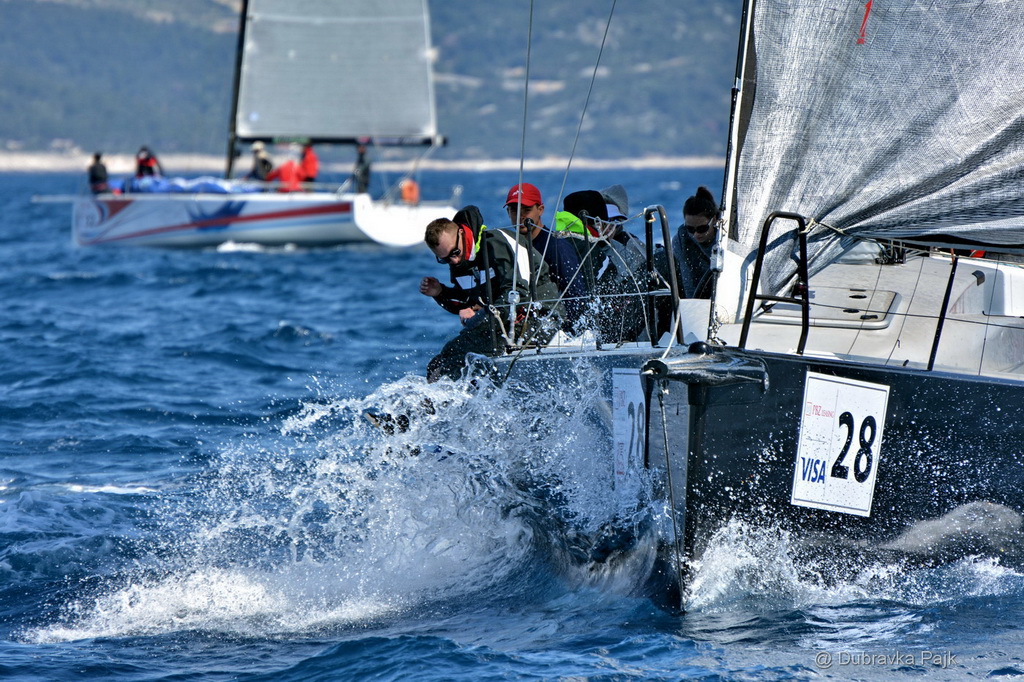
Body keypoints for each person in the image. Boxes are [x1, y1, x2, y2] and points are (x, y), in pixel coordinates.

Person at [420, 205, 563, 382]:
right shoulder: (459, 263)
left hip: (538, 316)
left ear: (462, 234)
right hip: (501, 322)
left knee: (456, 353)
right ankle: (451, 397)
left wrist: (481, 318)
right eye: (445, 259)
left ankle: (453, 395)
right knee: (439, 362)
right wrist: (441, 292)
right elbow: (467, 304)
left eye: (455, 253)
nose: (454, 260)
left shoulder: (497, 243)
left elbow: (517, 293)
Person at [504, 182, 588, 332]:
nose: (520, 216)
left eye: (527, 210)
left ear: (540, 210)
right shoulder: (509, 248)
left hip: (557, 329)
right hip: (522, 327)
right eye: (514, 210)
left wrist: (569, 333)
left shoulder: (556, 246)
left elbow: (575, 295)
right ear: (508, 212)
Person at [671, 186, 720, 299]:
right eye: (690, 229)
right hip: (697, 291)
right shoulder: (681, 240)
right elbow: (688, 281)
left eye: (702, 228)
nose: (696, 234)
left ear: (714, 220)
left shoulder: (726, 238)